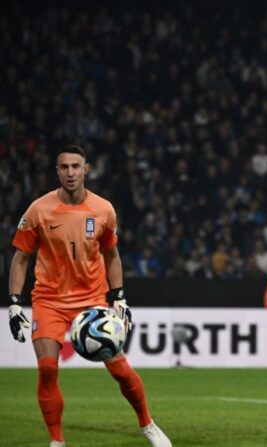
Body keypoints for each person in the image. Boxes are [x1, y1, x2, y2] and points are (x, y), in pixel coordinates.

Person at [8, 145, 171, 447]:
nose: (70, 172)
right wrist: (15, 303)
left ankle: (147, 424)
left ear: (86, 169)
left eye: (75, 166)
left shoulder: (103, 209)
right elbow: (20, 259)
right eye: (64, 167)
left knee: (120, 370)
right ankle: (57, 441)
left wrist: (119, 297)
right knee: (46, 369)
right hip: (49, 300)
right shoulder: (38, 210)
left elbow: (112, 255)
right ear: (57, 171)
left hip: (92, 300)